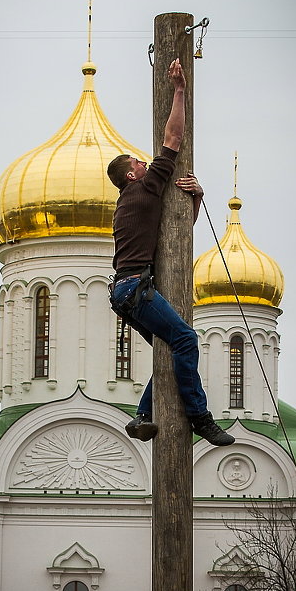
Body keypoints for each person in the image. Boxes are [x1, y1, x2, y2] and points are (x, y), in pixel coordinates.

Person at [107, 59, 234, 446]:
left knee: (169, 349)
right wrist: (179, 89)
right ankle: (201, 417)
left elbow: (176, 241)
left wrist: (196, 199)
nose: (145, 162)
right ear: (132, 175)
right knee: (186, 341)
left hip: (126, 292)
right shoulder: (143, 188)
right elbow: (173, 139)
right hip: (136, 289)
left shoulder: (133, 202)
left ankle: (142, 416)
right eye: (137, 163)